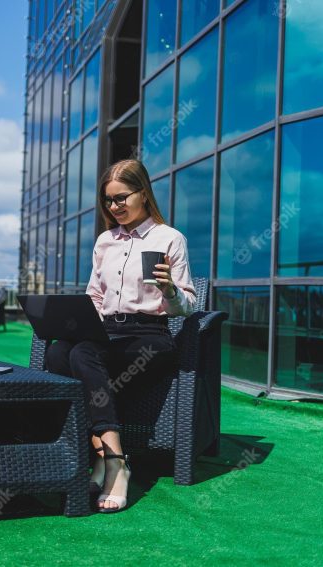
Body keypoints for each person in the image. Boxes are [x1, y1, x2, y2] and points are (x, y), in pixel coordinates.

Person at [45, 159, 196, 513]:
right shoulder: (105, 241)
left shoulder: (169, 238)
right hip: (107, 333)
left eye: (122, 198)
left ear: (143, 193)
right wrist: (81, 322)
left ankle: (115, 461)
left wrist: (169, 289)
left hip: (150, 336)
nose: (115, 207)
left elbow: (188, 305)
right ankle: (96, 454)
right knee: (57, 353)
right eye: (109, 201)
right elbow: (95, 296)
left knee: (83, 355)